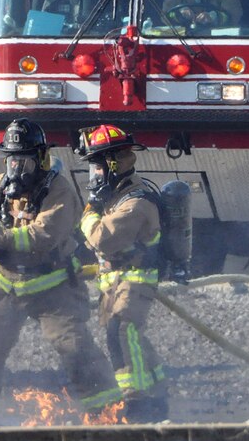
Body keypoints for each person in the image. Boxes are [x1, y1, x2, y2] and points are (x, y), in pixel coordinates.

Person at [0, 118, 121, 426]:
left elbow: (42, 236)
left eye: (24, 161)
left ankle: (108, 414)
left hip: (50, 285)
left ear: (40, 158)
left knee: (74, 347)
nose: (16, 169)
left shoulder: (58, 191)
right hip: (1, 283)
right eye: (12, 159)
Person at [75, 124, 169, 423]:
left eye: (98, 167)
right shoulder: (116, 198)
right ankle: (157, 390)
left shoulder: (136, 202)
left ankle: (138, 401)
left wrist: (89, 213)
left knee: (122, 331)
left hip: (136, 279)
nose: (95, 175)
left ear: (114, 164)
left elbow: (103, 238)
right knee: (129, 336)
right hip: (116, 281)